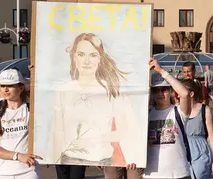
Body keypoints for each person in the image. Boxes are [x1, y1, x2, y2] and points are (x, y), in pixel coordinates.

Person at [47, 33, 142, 167]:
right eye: (81, 54)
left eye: (93, 55)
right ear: (74, 57)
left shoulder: (111, 89)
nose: (86, 61)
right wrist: (51, 158)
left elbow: (124, 130)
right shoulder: (64, 90)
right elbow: (57, 129)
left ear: (100, 58)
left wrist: (95, 139)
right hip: (69, 158)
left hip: (102, 159)